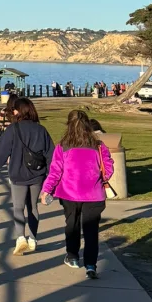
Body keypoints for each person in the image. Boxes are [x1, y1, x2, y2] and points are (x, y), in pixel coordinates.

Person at [41, 109, 114, 281]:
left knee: (71, 225)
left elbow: (55, 171)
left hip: (69, 193)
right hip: (94, 194)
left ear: (68, 125)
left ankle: (73, 255)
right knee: (91, 230)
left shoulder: (62, 146)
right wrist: (100, 177)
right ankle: (91, 265)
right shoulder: (98, 145)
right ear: (88, 125)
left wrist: (47, 190)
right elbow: (108, 168)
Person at [0, 97, 54, 255]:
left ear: (20, 111)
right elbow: (51, 154)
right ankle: (32, 238)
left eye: (15, 110)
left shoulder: (13, 129)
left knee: (18, 207)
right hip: (37, 174)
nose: (13, 112)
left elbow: (1, 151)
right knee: (33, 207)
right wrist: (51, 176)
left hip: (18, 174)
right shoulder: (41, 130)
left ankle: (20, 238)